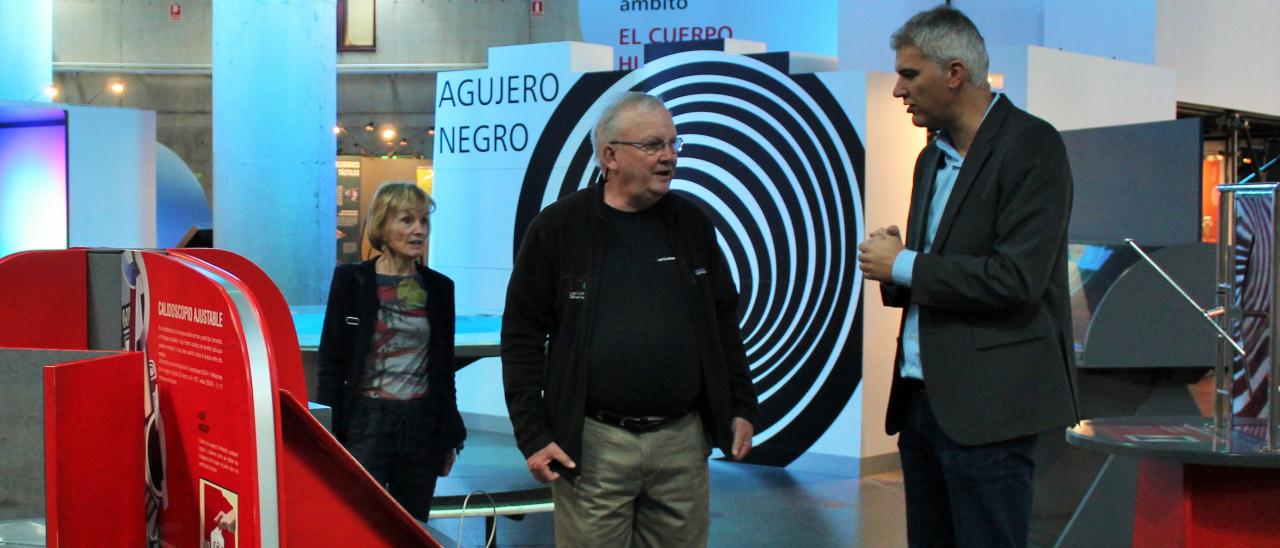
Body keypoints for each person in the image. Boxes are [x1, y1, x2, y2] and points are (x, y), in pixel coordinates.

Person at [857, 6, 1079, 548]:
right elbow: (943, 270)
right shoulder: (929, 158)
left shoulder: (1033, 146)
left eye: (909, 75)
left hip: (990, 411)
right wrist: (896, 262)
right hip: (919, 402)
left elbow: (1016, 278)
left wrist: (903, 264)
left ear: (954, 73)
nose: (897, 91)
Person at [501, 92, 758, 547]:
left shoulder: (692, 223)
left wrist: (741, 405)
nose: (669, 157)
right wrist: (533, 434)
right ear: (610, 156)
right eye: (654, 145)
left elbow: (723, 323)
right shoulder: (558, 229)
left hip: (682, 441)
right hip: (594, 445)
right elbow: (521, 337)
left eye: (675, 144)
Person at [316, 182, 465, 522]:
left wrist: (448, 434)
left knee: (411, 526)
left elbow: (444, 371)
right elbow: (332, 360)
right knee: (357, 523)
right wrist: (327, 431)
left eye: (423, 221)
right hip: (365, 423)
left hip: (421, 426)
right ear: (382, 225)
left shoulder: (440, 288)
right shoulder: (351, 281)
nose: (418, 230)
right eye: (407, 220)